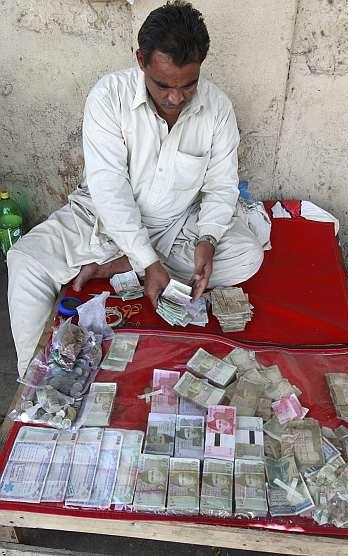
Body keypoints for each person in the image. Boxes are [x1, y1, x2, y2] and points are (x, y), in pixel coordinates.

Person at [7, 1, 269, 377]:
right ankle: (33, 382)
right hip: (100, 217)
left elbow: (222, 185)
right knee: (26, 262)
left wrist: (208, 237)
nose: (176, 98)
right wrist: (147, 258)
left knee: (246, 255)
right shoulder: (108, 97)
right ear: (141, 61)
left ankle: (121, 266)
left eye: (188, 85)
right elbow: (108, 188)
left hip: (178, 223)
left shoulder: (218, 109)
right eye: (163, 85)